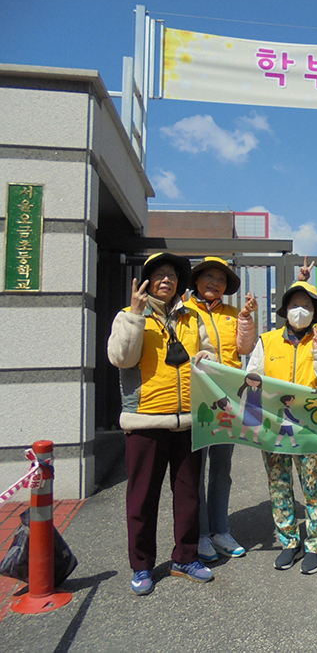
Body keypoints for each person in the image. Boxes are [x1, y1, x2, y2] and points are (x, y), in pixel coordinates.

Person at [107, 252, 216, 595]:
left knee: (188, 496)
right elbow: (121, 358)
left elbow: (209, 353)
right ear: (147, 281)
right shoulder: (128, 315)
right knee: (142, 498)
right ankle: (141, 565)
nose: (166, 279)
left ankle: (185, 557)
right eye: (159, 274)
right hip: (146, 422)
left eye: (172, 274)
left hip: (189, 422)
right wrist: (135, 315)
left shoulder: (192, 317)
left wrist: (207, 358)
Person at [246, 281, 317, 574]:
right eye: (294, 305)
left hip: (310, 428)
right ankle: (289, 542)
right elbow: (252, 379)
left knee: (314, 487)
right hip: (274, 428)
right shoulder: (267, 341)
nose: (300, 310)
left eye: (306, 306)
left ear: (314, 312)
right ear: (285, 310)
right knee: (279, 486)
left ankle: (315, 545)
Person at [187, 256, 257, 563]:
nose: (214, 283)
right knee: (194, 471)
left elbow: (244, 349)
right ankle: (200, 533)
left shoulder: (233, 314)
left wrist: (246, 319)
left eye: (221, 279)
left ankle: (220, 530)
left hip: (227, 400)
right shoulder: (184, 311)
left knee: (221, 469)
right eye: (209, 277)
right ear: (197, 280)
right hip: (196, 399)